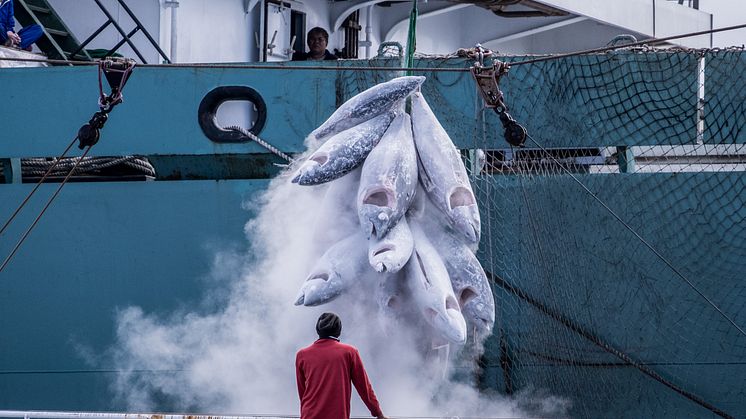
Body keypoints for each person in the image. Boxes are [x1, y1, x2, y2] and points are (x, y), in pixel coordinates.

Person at [295, 312, 388, 419]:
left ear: (318, 330)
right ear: (338, 331)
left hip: (309, 415)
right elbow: (364, 388)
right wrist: (378, 413)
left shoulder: (302, 355)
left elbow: (302, 392)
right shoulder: (349, 352)